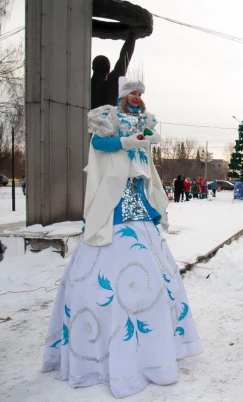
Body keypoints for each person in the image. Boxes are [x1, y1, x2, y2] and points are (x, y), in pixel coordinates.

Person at [42, 81, 203, 398]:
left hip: (138, 206)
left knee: (155, 280)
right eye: (132, 92)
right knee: (101, 280)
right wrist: (128, 141)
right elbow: (101, 145)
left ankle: (153, 353)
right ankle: (103, 352)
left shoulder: (144, 119)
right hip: (112, 206)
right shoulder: (107, 117)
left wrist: (145, 139)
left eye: (141, 93)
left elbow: (144, 147)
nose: (137, 97)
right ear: (121, 95)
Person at [91, 29, 136, 109]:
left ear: (92, 68)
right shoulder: (112, 83)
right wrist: (133, 34)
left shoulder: (83, 85)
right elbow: (125, 57)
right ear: (108, 69)